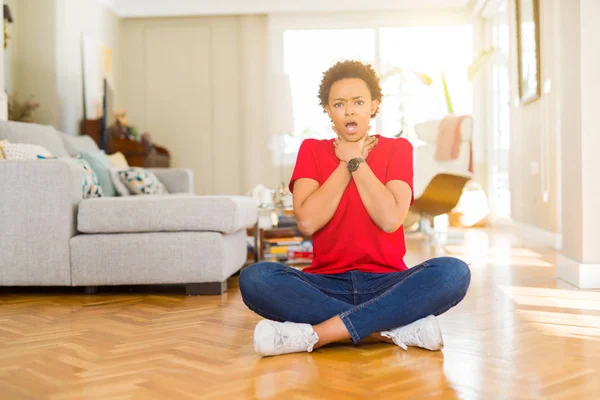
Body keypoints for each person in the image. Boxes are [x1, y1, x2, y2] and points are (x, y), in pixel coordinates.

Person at [239, 60, 471, 357]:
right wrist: (344, 163)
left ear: (373, 106)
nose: (349, 111)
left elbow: (390, 220)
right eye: (339, 103)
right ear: (328, 109)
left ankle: (320, 334)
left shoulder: (398, 149)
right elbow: (308, 222)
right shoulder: (311, 149)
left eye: (358, 102)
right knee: (255, 278)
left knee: (454, 272)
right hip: (324, 283)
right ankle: (389, 330)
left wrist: (357, 163)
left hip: (388, 283)